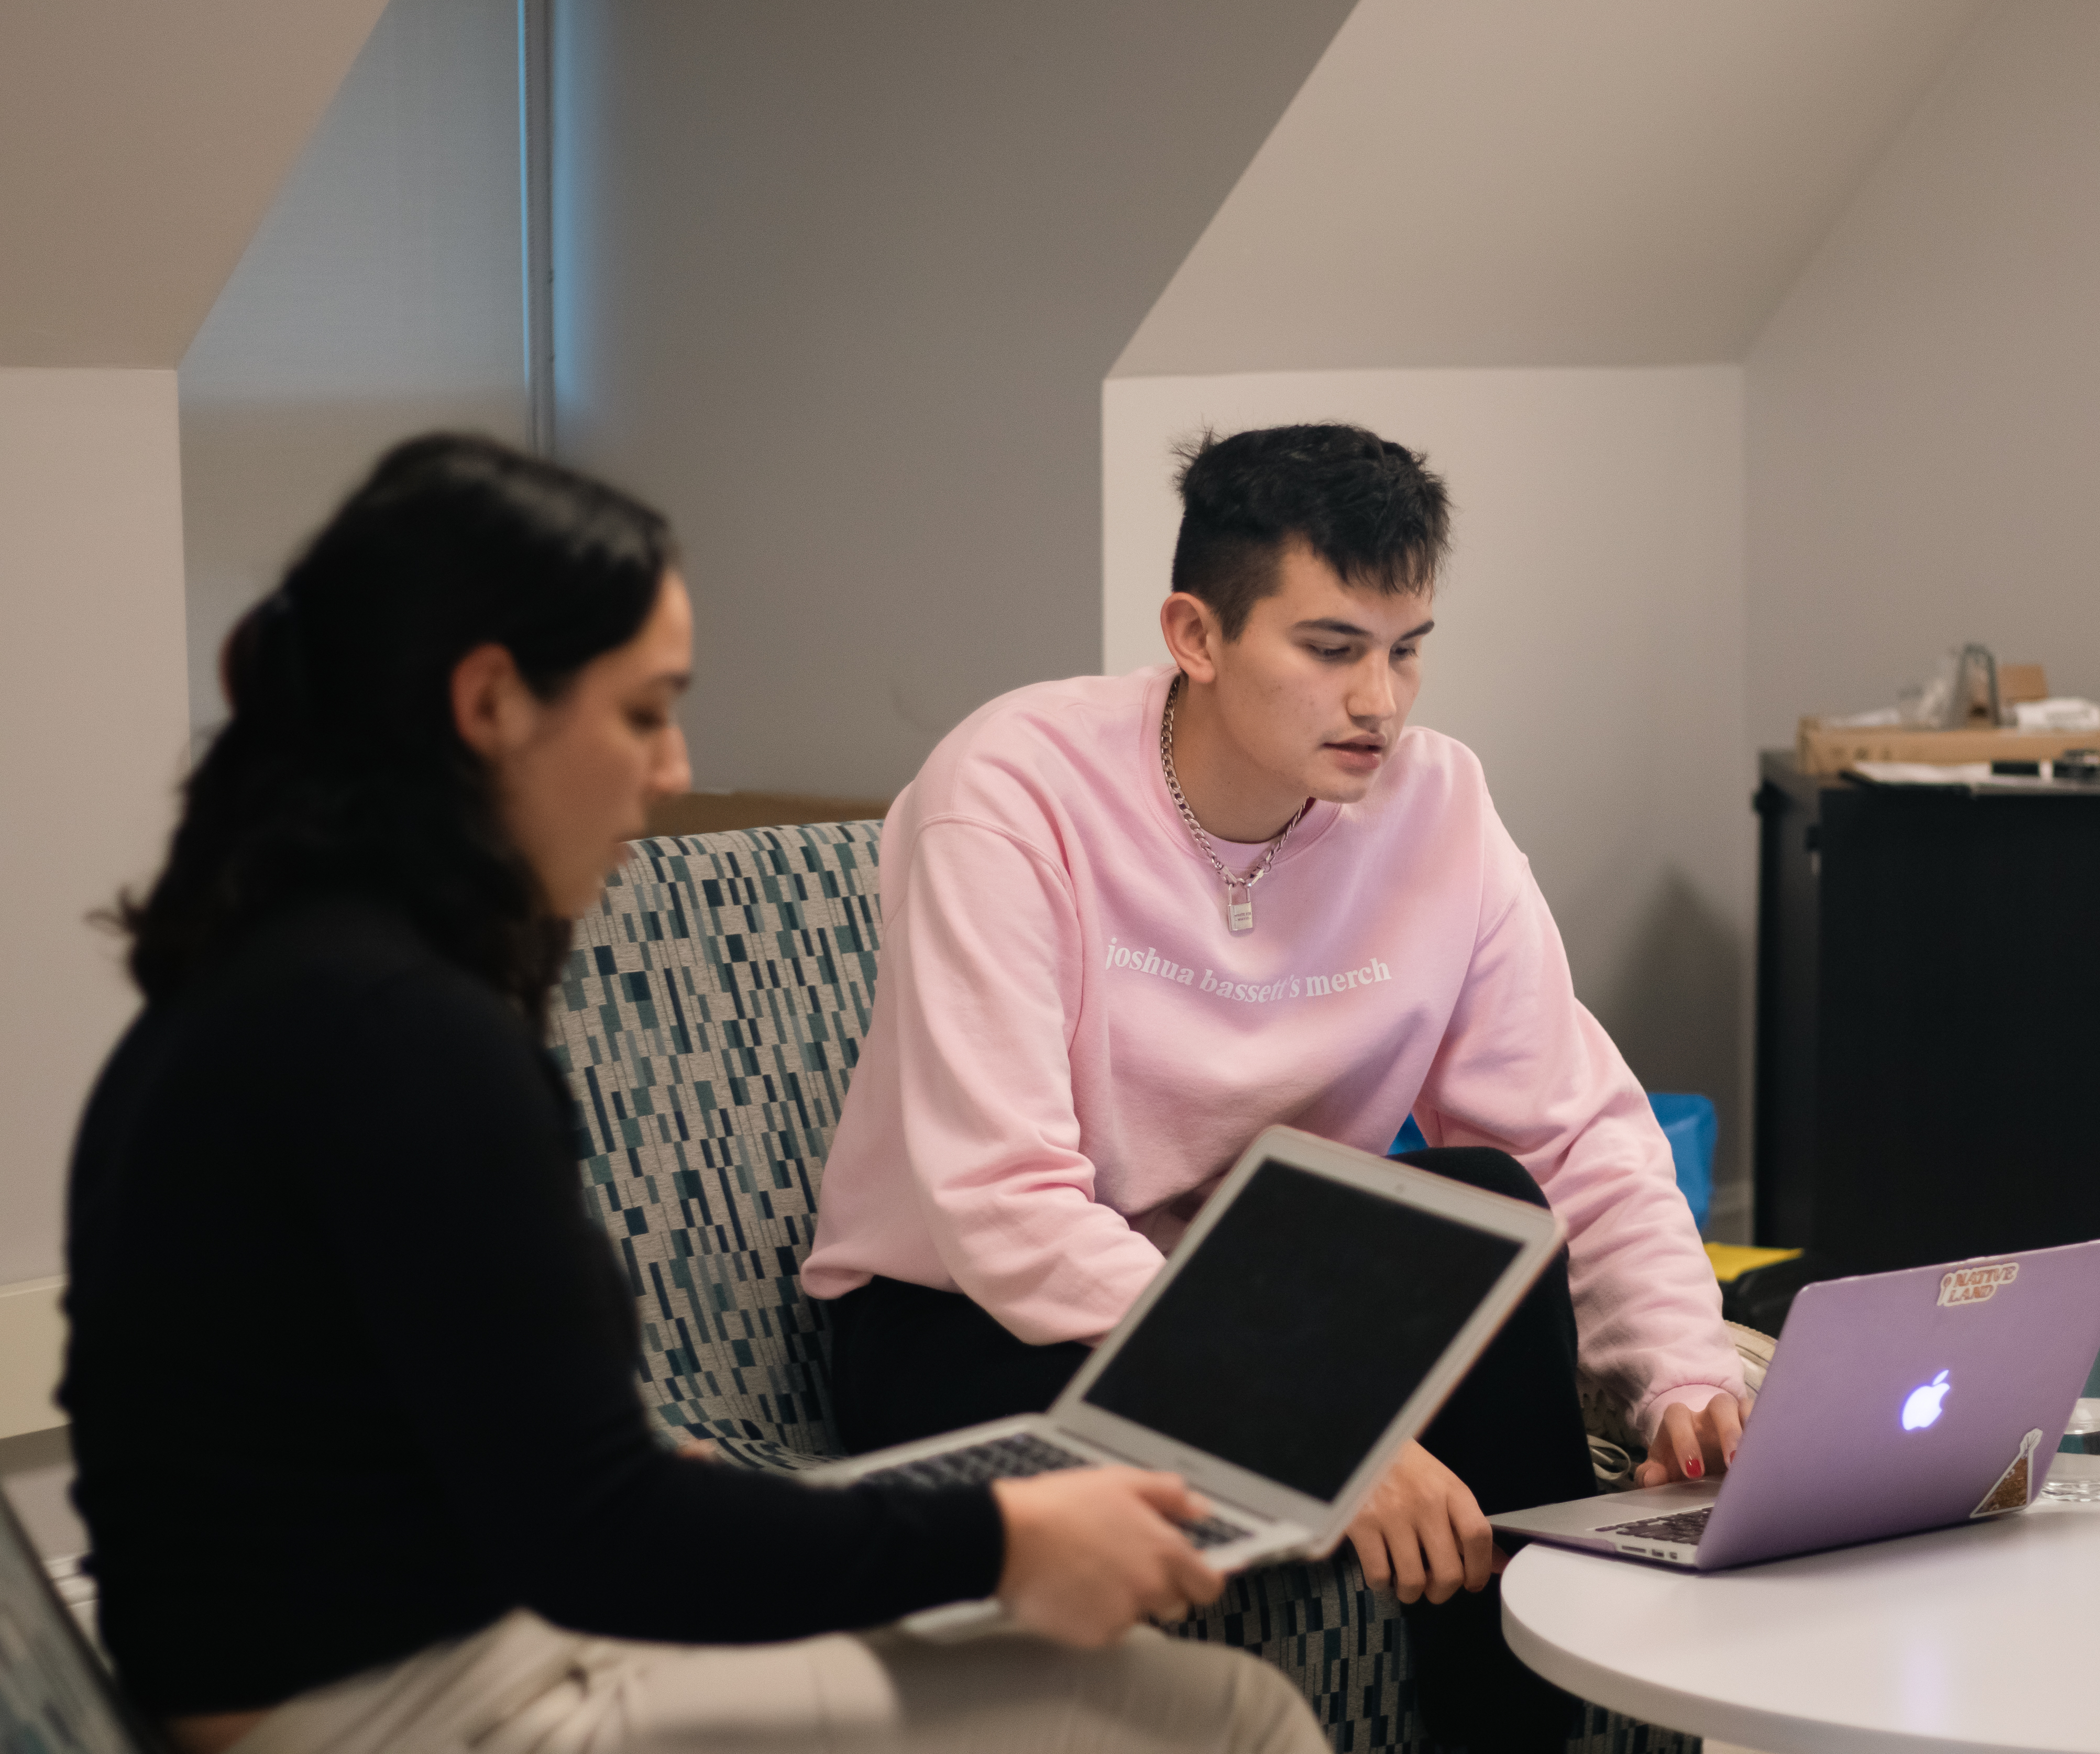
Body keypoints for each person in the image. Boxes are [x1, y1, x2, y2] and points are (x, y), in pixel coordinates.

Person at [61, 435, 1322, 1754]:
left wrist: (671, 1493)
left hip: (348, 1649)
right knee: (1231, 1713)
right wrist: (1006, 1536)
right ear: (491, 702)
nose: (673, 769)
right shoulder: (409, 1035)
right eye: (643, 710)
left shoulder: (276, 971)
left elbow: (400, 1441)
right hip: (410, 1702)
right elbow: (609, 1541)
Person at [805, 422, 1747, 1752]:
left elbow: (1578, 1126)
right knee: (1411, 1254)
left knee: (1490, 1195)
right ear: (1196, 633)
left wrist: (1683, 1380)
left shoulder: (1439, 808)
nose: (1382, 701)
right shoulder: (1009, 789)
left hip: (1260, 1290)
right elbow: (1002, 1205)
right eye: (1331, 649)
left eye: (1408, 646)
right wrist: (1317, 1420)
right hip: (976, 1321)